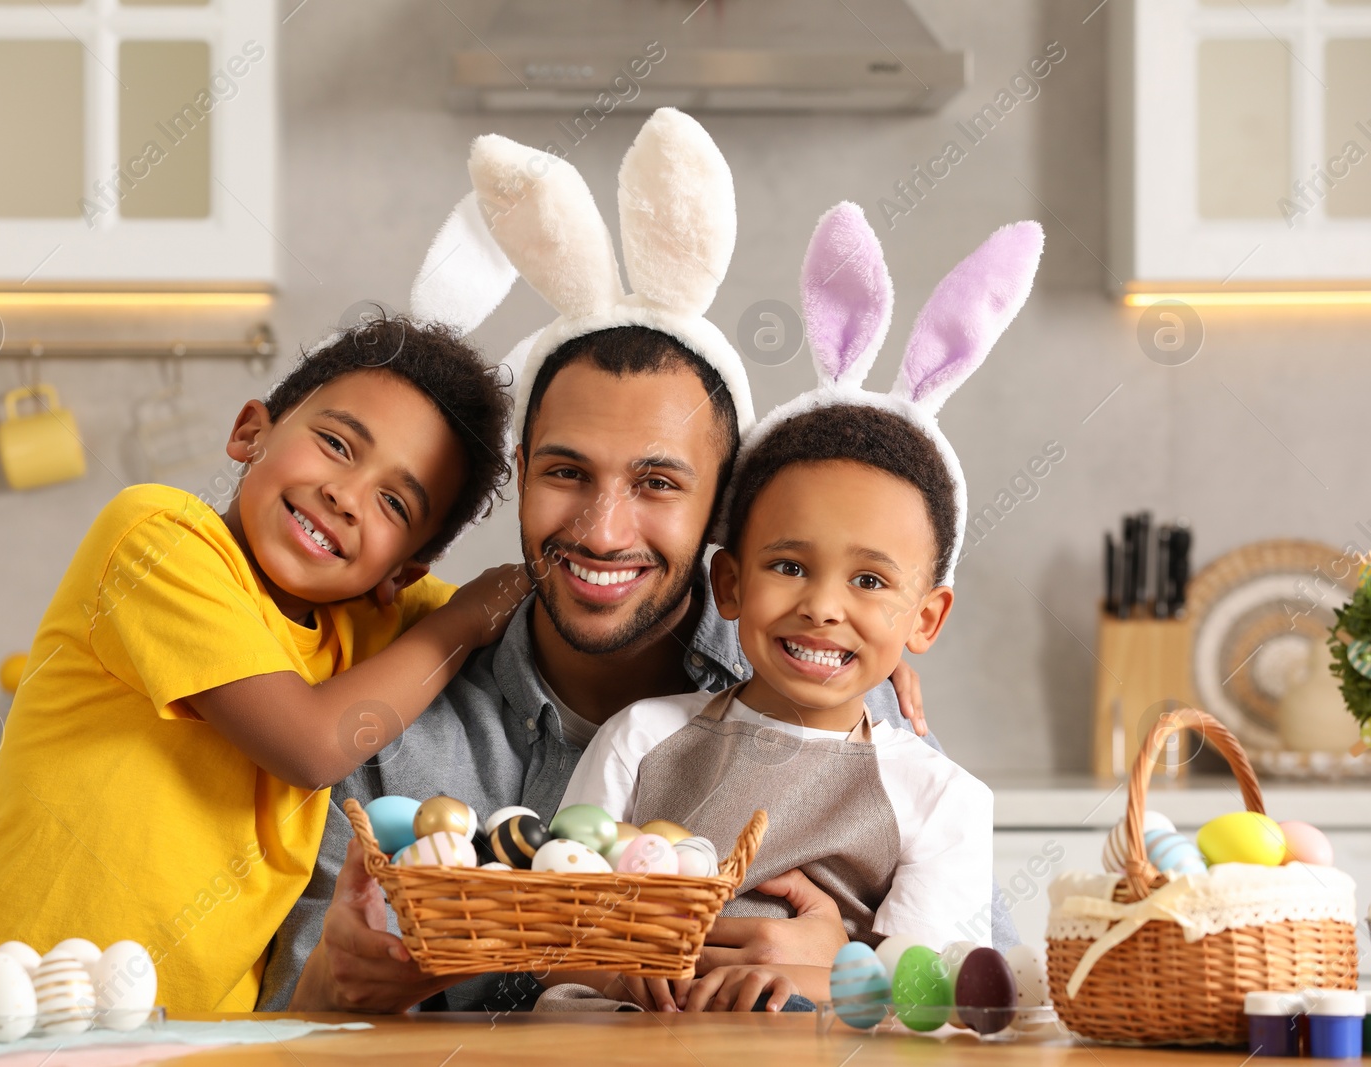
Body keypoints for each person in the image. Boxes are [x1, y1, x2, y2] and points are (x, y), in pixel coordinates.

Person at [262, 113, 1010, 1014]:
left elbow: (981, 979)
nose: (604, 529)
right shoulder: (397, 720)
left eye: (658, 482)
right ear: (520, 476)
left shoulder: (835, 698)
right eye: (566, 472)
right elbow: (286, 1020)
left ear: (721, 521)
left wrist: (842, 958)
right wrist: (334, 984)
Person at [549, 204, 1044, 1014]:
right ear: (731, 584)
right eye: (789, 565)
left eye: (872, 582)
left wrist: (823, 969)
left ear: (927, 617)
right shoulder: (642, 740)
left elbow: (924, 995)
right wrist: (619, 969)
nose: (822, 607)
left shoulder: (941, 798)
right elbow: (558, 930)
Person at [0, 319, 526, 1011]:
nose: (346, 495)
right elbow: (311, 744)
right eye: (337, 444)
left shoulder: (373, 619)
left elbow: (530, 615)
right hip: (27, 1015)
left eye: (393, 502)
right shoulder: (157, 539)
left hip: (204, 1043)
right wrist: (462, 621)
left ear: (403, 569)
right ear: (251, 431)